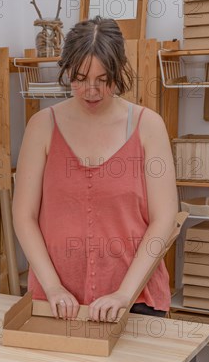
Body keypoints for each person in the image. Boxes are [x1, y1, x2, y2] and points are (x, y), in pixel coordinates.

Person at [12, 16, 178, 322]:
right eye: (80, 78)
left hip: (137, 299)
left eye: (103, 79)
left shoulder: (148, 126)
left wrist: (123, 295)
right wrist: (53, 287)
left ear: (119, 72)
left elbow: (163, 219)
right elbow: (24, 216)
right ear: (66, 70)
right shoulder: (42, 127)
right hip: (57, 302)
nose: (91, 90)